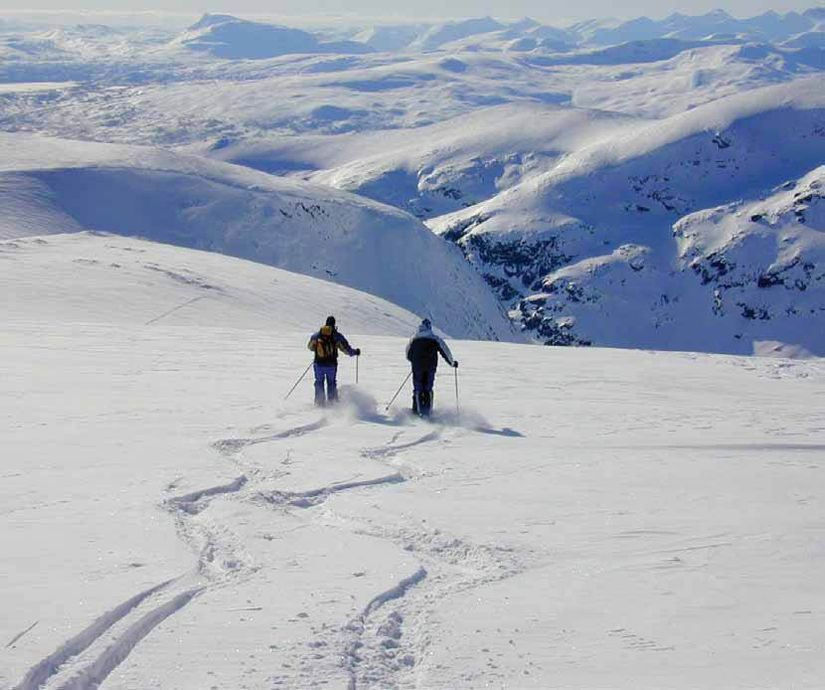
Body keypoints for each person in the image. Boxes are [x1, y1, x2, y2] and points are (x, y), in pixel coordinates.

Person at [405, 318, 457, 418]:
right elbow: (445, 351)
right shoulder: (435, 339)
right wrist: (452, 363)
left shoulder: (414, 339)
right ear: (429, 327)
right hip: (430, 367)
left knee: (418, 388)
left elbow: (408, 354)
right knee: (428, 388)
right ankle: (427, 412)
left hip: (417, 368)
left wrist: (414, 361)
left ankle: (417, 412)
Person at [307, 316, 360, 406]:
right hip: (331, 365)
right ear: (334, 324)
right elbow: (346, 350)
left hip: (318, 364)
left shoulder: (317, 335)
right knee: (331, 383)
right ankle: (332, 403)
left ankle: (319, 403)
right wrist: (355, 352)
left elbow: (310, 347)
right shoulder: (337, 336)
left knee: (319, 382)